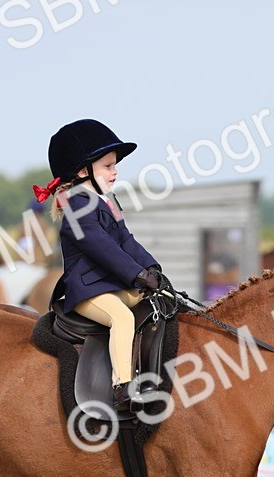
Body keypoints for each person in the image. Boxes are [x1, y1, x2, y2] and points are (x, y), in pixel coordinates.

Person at [34, 119, 168, 410]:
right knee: (122, 318)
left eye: (114, 165)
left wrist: (152, 269)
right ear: (84, 171)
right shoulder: (76, 205)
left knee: (158, 302)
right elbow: (101, 247)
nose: (114, 172)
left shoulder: (107, 202)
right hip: (88, 291)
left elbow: (126, 240)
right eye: (107, 166)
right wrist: (136, 274)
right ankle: (122, 387)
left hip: (110, 285)